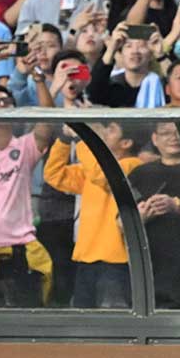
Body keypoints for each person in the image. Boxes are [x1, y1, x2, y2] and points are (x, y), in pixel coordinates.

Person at [0, 44, 56, 308]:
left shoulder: (25, 147)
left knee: (24, 325)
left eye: (7, 101)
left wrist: (38, 76)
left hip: (21, 248)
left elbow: (49, 120)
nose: (2, 103)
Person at [43, 111, 143, 309]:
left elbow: (103, 176)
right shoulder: (90, 168)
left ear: (126, 143)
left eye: (111, 129)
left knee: (111, 324)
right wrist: (64, 140)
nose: (104, 132)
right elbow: (54, 174)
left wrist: (83, 139)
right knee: (83, 324)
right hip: (85, 258)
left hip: (116, 261)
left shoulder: (133, 165)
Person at [127, 122, 180, 309]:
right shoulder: (141, 173)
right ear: (154, 139)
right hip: (152, 270)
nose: (174, 137)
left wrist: (176, 205)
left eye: (179, 132)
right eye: (165, 133)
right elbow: (122, 223)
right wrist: (141, 216)